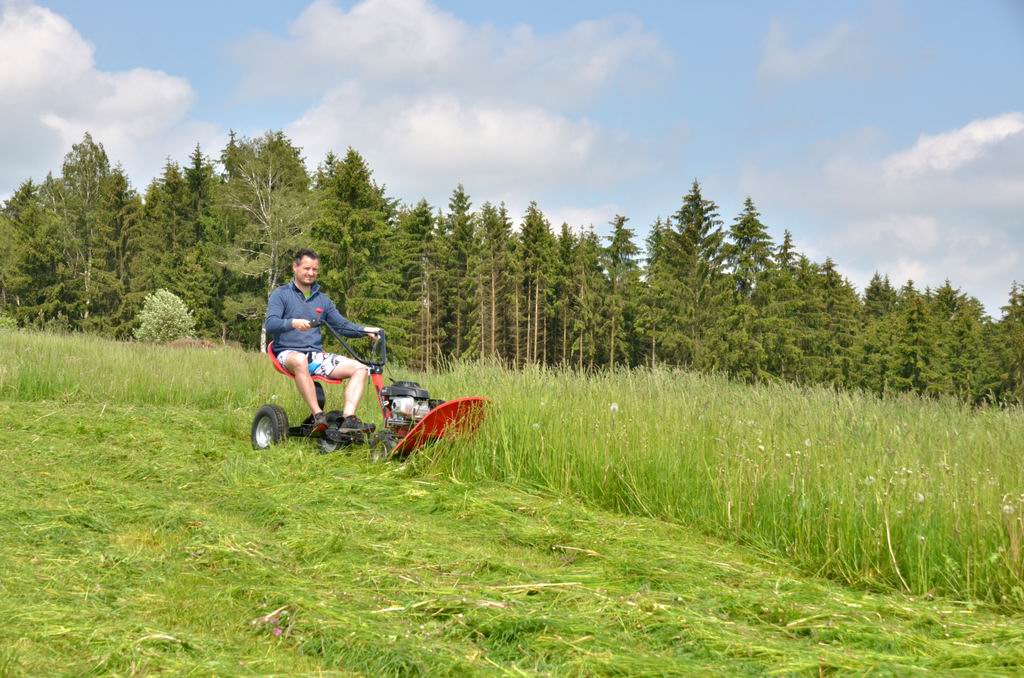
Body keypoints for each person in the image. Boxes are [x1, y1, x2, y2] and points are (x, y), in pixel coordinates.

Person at [264, 248, 381, 433]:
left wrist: (364, 330)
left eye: (315, 269)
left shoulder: (322, 300)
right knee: (300, 359)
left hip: (315, 356)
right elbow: (270, 324)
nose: (311, 273)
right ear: (294, 267)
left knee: (361, 368)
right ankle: (318, 415)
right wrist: (292, 323)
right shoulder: (281, 294)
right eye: (306, 268)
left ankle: (348, 419)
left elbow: (342, 325)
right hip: (287, 353)